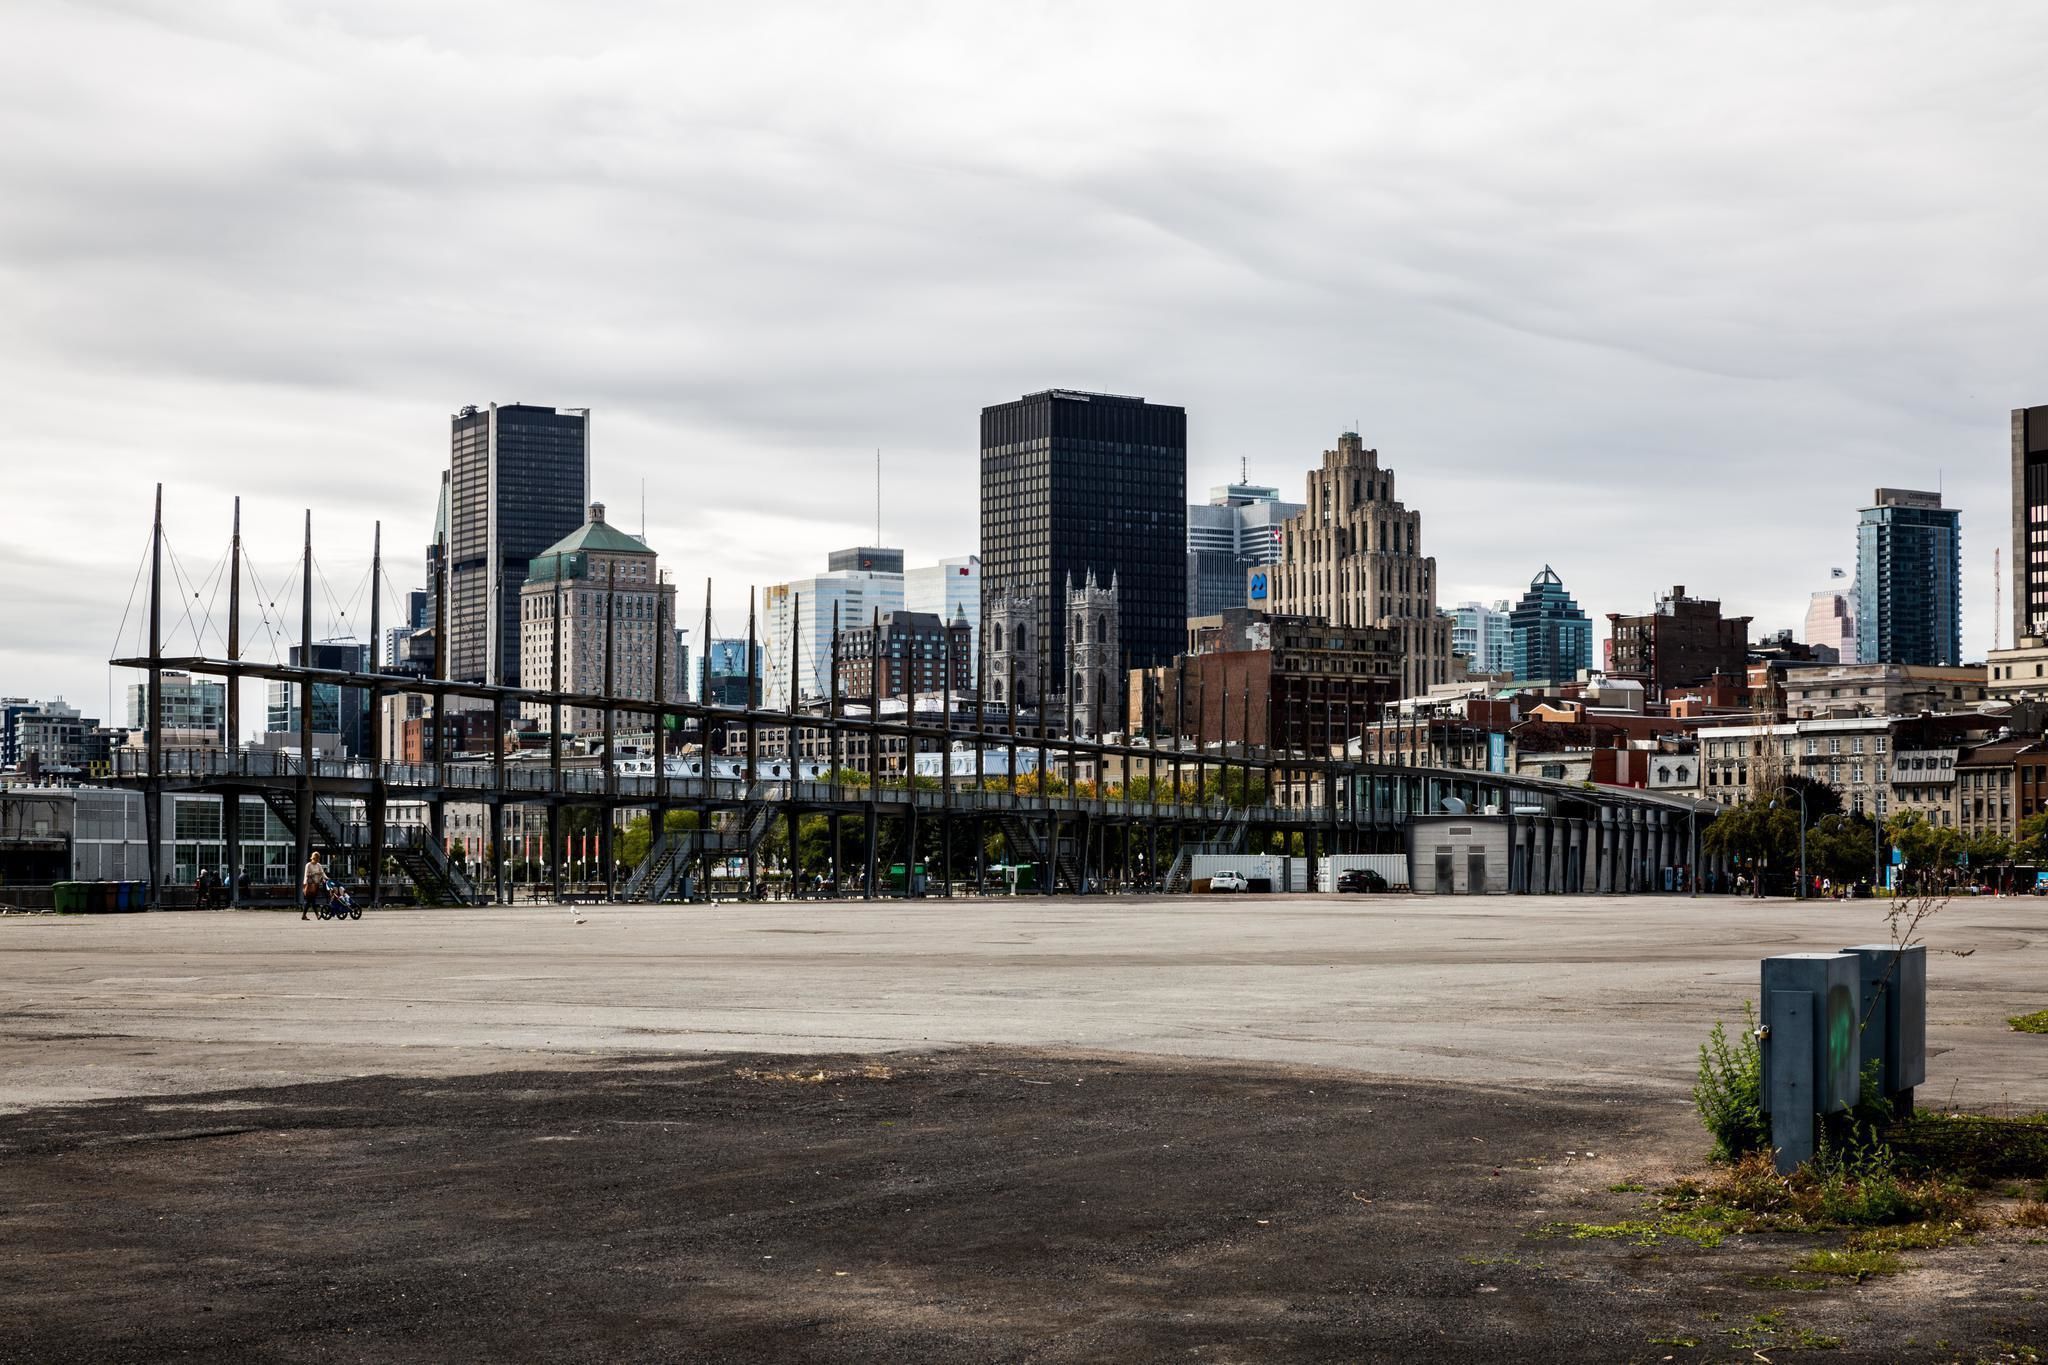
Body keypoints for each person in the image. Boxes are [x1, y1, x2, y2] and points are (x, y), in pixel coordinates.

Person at [301, 850, 328, 921]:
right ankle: (317, 915)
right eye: (316, 859)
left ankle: (304, 916)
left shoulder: (319, 865)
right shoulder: (308, 865)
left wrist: (327, 878)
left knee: (309, 901)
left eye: (318, 859)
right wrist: (316, 873)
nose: (317, 860)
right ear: (313, 858)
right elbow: (307, 875)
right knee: (311, 900)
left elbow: (322, 873)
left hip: (315, 885)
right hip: (308, 885)